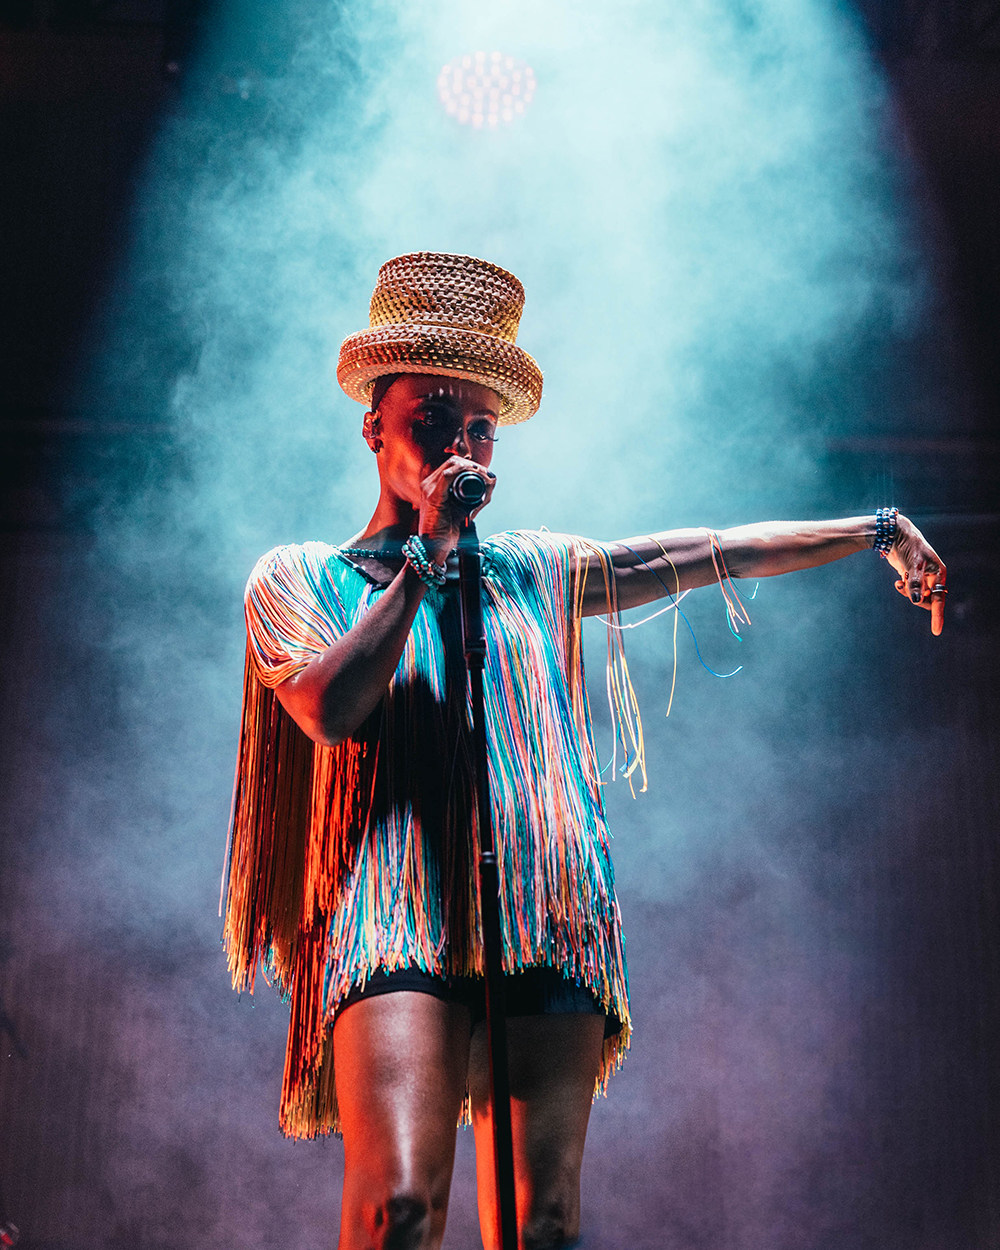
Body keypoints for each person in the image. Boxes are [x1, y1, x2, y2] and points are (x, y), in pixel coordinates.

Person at [223, 252, 946, 1250]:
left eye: (481, 426)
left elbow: (711, 550)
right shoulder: (299, 576)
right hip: (394, 909)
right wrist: (427, 554)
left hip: (546, 901)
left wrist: (877, 529)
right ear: (373, 422)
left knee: (546, 1220)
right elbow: (329, 707)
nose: (460, 441)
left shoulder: (534, 569)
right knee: (400, 1210)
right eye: (433, 414)